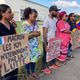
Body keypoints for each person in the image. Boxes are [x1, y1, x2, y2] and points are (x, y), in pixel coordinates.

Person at [22, 7, 40, 80]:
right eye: (34, 16)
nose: (35, 18)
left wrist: (38, 33)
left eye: (36, 17)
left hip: (34, 46)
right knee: (27, 61)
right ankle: (28, 74)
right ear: (29, 15)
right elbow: (24, 37)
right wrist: (33, 34)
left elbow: (38, 32)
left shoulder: (36, 23)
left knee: (34, 60)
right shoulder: (24, 24)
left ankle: (33, 72)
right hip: (27, 46)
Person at [0, 4, 18, 80]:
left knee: (14, 76)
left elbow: (16, 39)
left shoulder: (11, 25)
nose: (11, 14)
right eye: (9, 12)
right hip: (3, 60)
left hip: (13, 59)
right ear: (2, 13)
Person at [42, 5, 60, 74]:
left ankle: (51, 64)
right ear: (51, 11)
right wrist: (45, 44)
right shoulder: (46, 20)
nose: (57, 12)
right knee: (45, 55)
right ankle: (44, 67)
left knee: (53, 54)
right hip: (47, 41)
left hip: (53, 41)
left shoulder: (54, 20)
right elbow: (44, 33)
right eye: (56, 11)